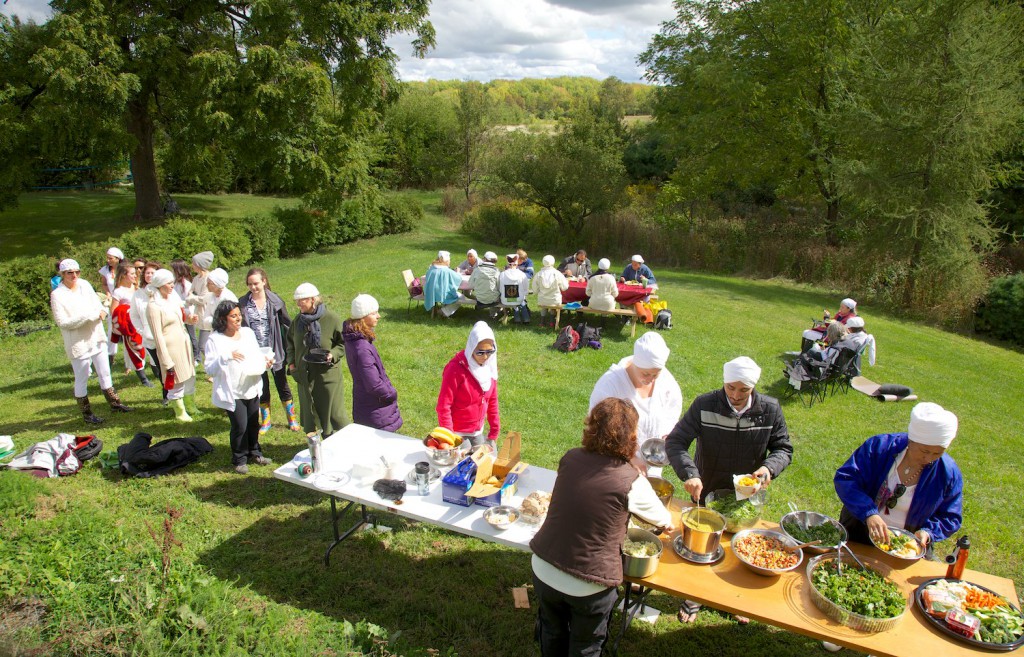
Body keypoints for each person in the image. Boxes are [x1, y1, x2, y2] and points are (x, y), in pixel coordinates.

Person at [530, 398, 674, 657]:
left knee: (552, 632)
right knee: (585, 646)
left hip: (544, 569)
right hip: (590, 584)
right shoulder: (631, 480)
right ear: (631, 437)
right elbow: (663, 519)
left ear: (591, 427)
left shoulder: (570, 458)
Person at [666, 356, 792, 624]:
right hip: (706, 487)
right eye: (730, 388)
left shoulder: (769, 409)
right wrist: (690, 474)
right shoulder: (705, 404)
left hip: (745, 496)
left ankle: (735, 599)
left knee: (741, 549)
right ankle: (694, 595)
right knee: (702, 546)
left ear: (753, 388)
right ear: (723, 382)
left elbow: (783, 448)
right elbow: (676, 442)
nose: (735, 395)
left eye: (743, 390)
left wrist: (768, 469)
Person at [835, 402, 963, 550]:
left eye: (937, 453)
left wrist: (928, 532)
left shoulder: (948, 473)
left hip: (905, 547)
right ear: (911, 440)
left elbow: (950, 516)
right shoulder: (879, 448)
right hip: (859, 532)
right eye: (924, 451)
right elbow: (847, 478)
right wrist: (868, 513)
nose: (929, 459)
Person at [50, 258, 133, 424]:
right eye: (69, 273)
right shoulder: (57, 294)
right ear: (62, 274)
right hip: (78, 341)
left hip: (96, 335)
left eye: (77, 272)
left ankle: (115, 403)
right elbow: (63, 322)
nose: (74, 275)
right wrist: (88, 317)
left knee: (105, 372)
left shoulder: (85, 285)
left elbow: (98, 304)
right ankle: (87, 414)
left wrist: (102, 311)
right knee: (82, 377)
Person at [589, 332, 683, 476]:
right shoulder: (610, 384)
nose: (651, 379)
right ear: (635, 363)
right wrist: (630, 457)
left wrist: (667, 434)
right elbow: (599, 430)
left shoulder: (666, 381)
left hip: (652, 462)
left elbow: (672, 411)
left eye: (655, 374)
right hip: (614, 463)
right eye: (645, 374)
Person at [205, 300, 275, 474]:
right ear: (223, 319)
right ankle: (239, 459)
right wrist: (226, 357)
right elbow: (209, 369)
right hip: (233, 391)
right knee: (240, 426)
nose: (238, 319)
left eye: (239, 315)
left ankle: (255, 452)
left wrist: (266, 362)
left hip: (251, 385)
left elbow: (256, 354)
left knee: (253, 422)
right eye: (233, 316)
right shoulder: (215, 340)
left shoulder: (247, 333)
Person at [239, 268, 299, 434]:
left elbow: (287, 323)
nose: (253, 287)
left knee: (282, 384)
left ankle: (292, 418)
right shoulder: (243, 304)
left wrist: (293, 344)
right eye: (250, 284)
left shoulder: (275, 301)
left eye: (256, 283)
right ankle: (266, 421)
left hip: (275, 350)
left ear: (264, 281)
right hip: (255, 352)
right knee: (262, 386)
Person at [286, 283, 348, 436]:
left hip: (326, 376)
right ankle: (317, 448)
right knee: (310, 413)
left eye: (302, 300)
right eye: (297, 300)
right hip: (304, 376)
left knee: (331, 414)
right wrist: (292, 365)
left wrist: (332, 354)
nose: (299, 303)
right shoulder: (298, 321)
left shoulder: (331, 319)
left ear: (313, 300)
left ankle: (334, 443)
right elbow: (290, 344)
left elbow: (344, 344)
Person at [147, 269, 200, 422]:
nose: (172, 286)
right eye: (168, 283)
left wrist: (190, 319)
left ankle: (190, 405)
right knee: (177, 378)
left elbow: (180, 318)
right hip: (171, 348)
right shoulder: (153, 306)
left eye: (172, 282)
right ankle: (180, 410)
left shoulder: (172, 299)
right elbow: (157, 336)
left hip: (183, 343)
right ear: (160, 285)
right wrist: (165, 360)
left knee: (189, 374)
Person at [343, 294, 402, 432]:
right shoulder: (362, 348)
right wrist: (391, 394)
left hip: (365, 403)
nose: (378, 316)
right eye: (374, 313)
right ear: (363, 317)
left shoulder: (354, 338)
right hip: (375, 409)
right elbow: (374, 385)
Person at [436, 321, 500, 448]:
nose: (486, 357)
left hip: (477, 431)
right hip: (456, 432)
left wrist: (494, 431)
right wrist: (449, 436)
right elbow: (444, 405)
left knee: (483, 461)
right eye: (480, 352)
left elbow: (492, 401)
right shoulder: (455, 369)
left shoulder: (489, 369)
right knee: (463, 463)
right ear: (471, 348)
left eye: (490, 351)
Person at [131, 262, 169, 403]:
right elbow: (134, 315)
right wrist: (141, 331)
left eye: (153, 273)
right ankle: (166, 392)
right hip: (150, 338)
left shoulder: (164, 290)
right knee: (159, 366)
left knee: (170, 364)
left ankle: (178, 392)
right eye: (147, 273)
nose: (149, 275)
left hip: (166, 335)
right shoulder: (138, 294)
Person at [110, 261, 151, 384]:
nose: (135, 275)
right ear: (123, 275)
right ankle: (143, 378)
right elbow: (114, 311)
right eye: (132, 273)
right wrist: (126, 312)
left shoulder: (138, 287)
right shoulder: (119, 291)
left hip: (143, 321)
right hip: (130, 326)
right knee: (135, 349)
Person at [98, 246, 124, 370]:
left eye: (111, 258)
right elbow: (104, 283)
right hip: (112, 300)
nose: (108, 260)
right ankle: (110, 354)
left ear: (118, 259)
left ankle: (130, 357)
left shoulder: (124, 269)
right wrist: (108, 293)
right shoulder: (105, 270)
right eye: (107, 258)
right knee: (112, 327)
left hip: (124, 300)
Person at [187, 251, 215, 363]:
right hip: (199, 314)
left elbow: (204, 299)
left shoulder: (208, 279)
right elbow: (189, 293)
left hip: (207, 313)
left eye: (193, 263)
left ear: (199, 264)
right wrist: (191, 298)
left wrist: (191, 298)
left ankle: (214, 367)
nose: (192, 265)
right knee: (204, 345)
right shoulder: (196, 278)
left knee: (202, 345)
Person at [170, 258, 198, 364]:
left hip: (187, 313)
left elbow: (189, 300)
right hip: (178, 312)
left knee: (192, 336)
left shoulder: (186, 285)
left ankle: (197, 357)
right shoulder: (174, 283)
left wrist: (180, 304)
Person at [531, 255, 569, 327]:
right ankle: (552, 322)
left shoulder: (538, 274)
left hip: (542, 299)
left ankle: (542, 322)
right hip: (555, 300)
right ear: (553, 262)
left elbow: (534, 289)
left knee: (544, 303)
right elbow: (565, 287)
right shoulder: (558, 274)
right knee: (553, 304)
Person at [424, 250, 464, 317]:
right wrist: (458, 272)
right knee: (461, 297)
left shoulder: (431, 268)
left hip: (431, 293)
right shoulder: (446, 271)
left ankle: (440, 311)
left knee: (446, 291)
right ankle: (443, 312)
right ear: (446, 260)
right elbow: (458, 278)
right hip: (442, 294)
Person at [499, 253, 531, 323]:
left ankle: (517, 319)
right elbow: (526, 288)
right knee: (521, 301)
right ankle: (526, 319)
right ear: (517, 264)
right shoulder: (522, 275)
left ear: (508, 263)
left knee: (515, 301)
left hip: (505, 299)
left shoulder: (502, 274)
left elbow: (500, 288)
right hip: (518, 299)